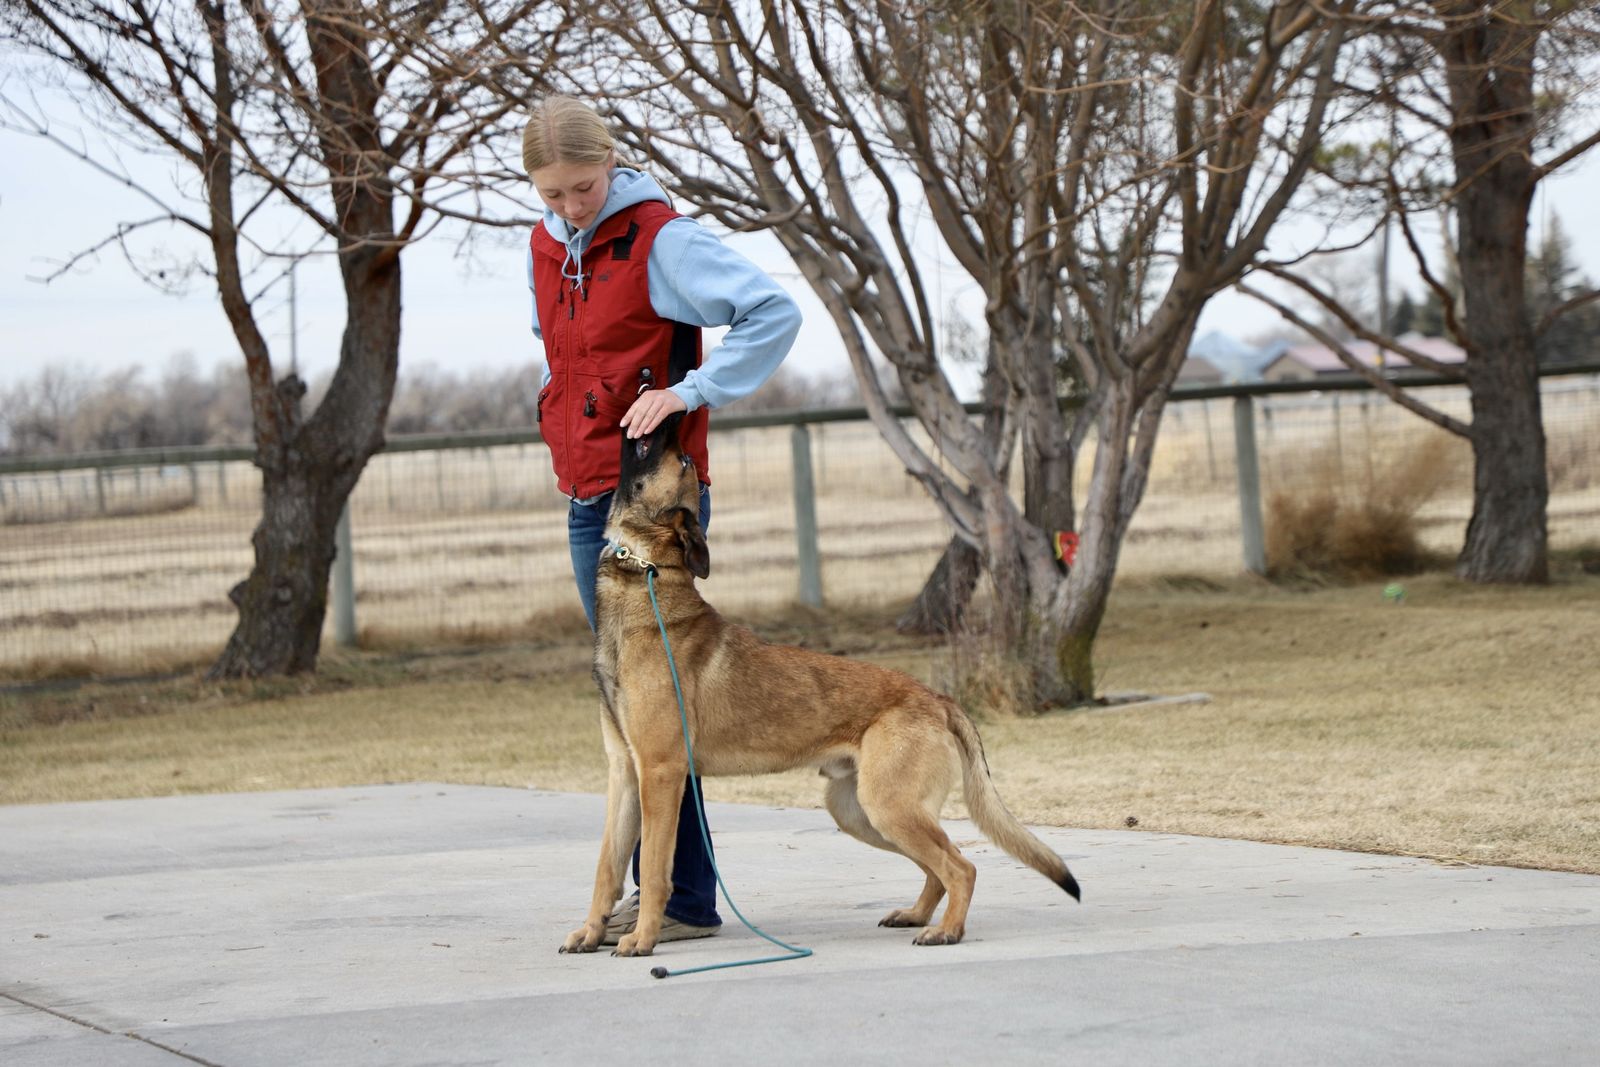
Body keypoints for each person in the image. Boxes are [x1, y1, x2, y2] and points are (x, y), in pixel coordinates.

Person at [523, 95, 802, 945]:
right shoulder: (544, 246)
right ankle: (641, 895)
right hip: (586, 499)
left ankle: (680, 902)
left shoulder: (661, 239)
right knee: (629, 713)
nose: (572, 205)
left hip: (650, 502)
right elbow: (562, 348)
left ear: (611, 161)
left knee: (659, 708)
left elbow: (774, 312)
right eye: (553, 193)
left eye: (585, 186)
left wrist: (690, 391)